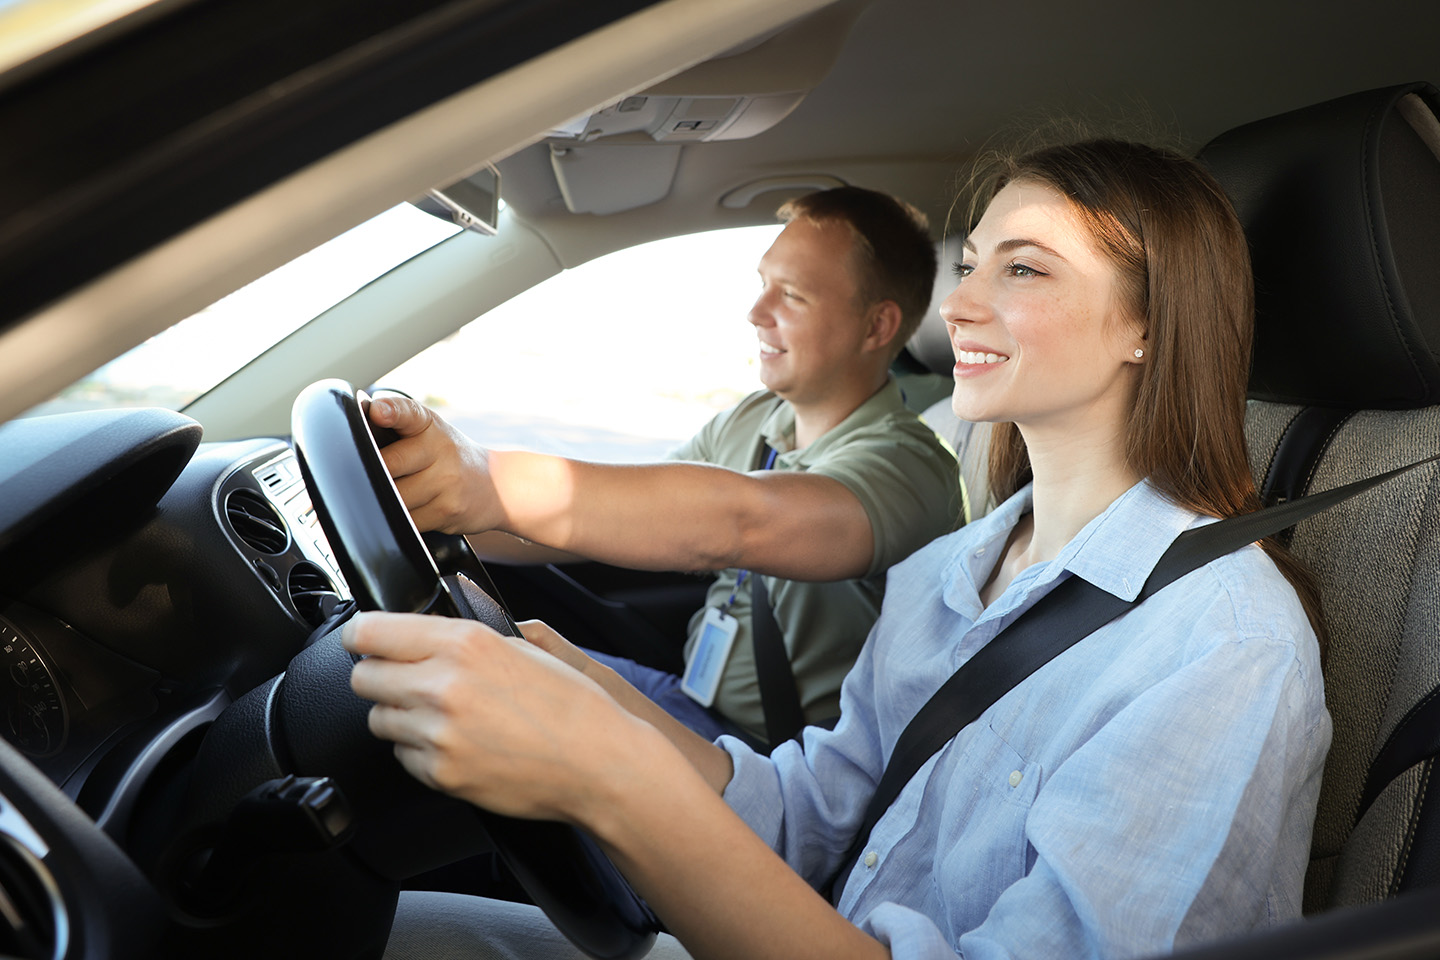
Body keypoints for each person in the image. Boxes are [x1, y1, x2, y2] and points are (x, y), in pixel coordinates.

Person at [351, 139, 1331, 960]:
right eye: (974, 261)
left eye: (1022, 268)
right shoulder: (953, 571)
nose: (961, 303)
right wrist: (593, 700)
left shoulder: (1222, 647)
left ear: (1150, 329)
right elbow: (815, 810)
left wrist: (611, 776)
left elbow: (739, 517)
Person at [370, 186, 959, 747]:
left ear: (877, 326)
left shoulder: (907, 466)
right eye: (762, 285)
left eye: (793, 295)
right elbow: (627, 514)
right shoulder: (755, 419)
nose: (756, 312)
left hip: (780, 761)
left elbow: (738, 521)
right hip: (688, 700)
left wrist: (484, 478)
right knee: (470, 659)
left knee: (456, 698)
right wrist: (433, 510)